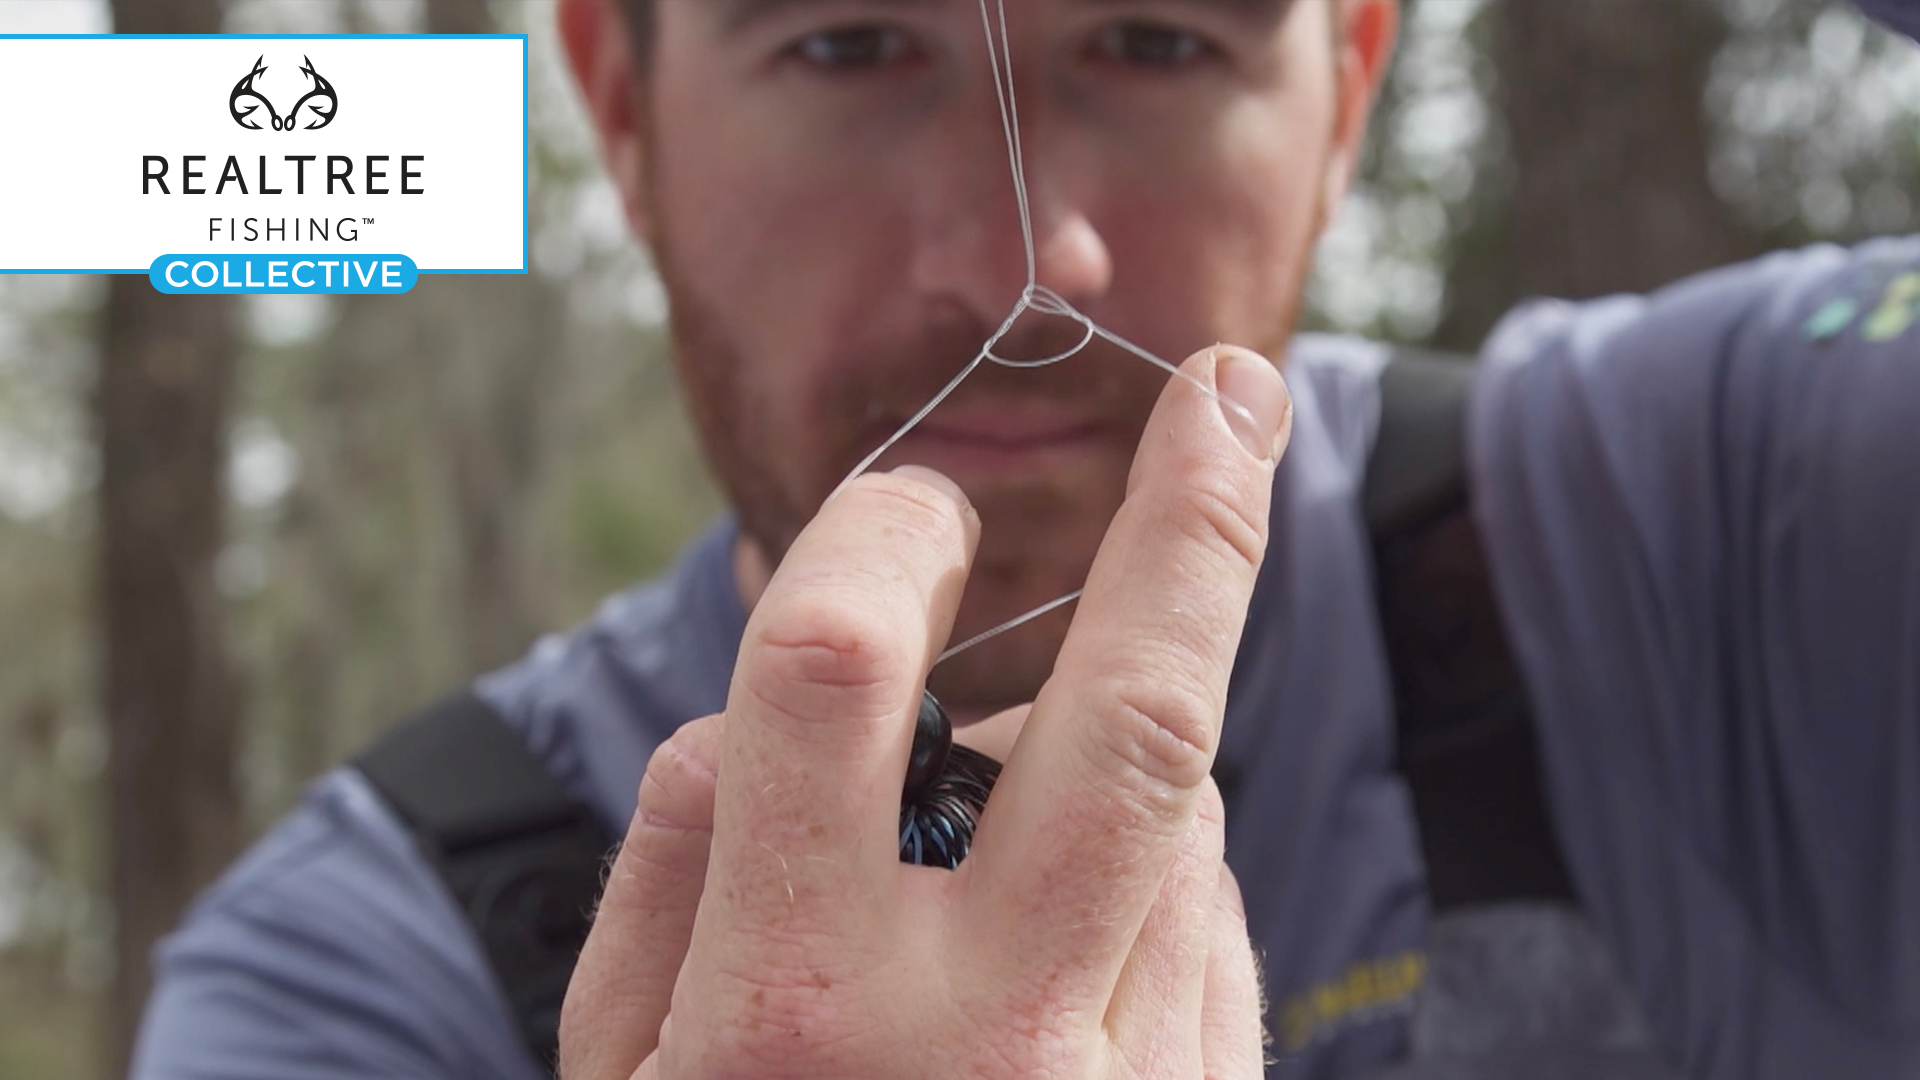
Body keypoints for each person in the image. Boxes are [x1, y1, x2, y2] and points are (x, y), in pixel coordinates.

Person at [130, 0, 1920, 1078]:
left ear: (1348, 85)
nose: (1021, 266)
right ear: (620, 103)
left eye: (1157, 37)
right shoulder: (367, 978)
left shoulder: (1734, 523)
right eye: (845, 40)